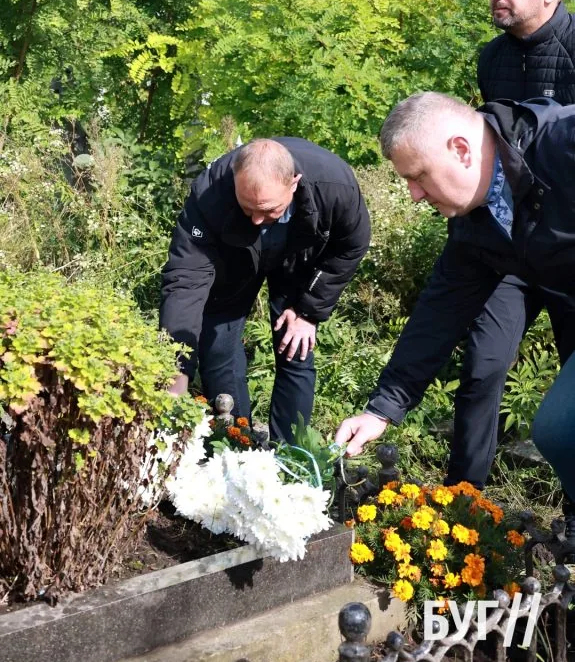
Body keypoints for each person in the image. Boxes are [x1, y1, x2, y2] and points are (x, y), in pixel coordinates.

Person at [334, 91, 575, 544]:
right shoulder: (477, 222)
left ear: (461, 150)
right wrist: (382, 410)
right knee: (561, 429)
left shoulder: (563, 145)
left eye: (418, 176)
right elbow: (438, 314)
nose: (413, 194)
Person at [444, 0, 575, 504]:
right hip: (506, 250)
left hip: (569, 252)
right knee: (481, 366)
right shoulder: (490, 58)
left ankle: (571, 512)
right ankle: (463, 503)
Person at [160, 137, 370, 442]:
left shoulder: (334, 185)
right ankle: (235, 444)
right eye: (248, 207)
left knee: (295, 347)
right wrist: (175, 369)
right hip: (235, 255)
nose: (258, 219)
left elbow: (352, 245)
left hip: (300, 251)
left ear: (294, 183)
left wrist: (309, 312)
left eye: (268, 209)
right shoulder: (211, 193)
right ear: (235, 180)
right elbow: (185, 279)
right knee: (217, 346)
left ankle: (287, 456)